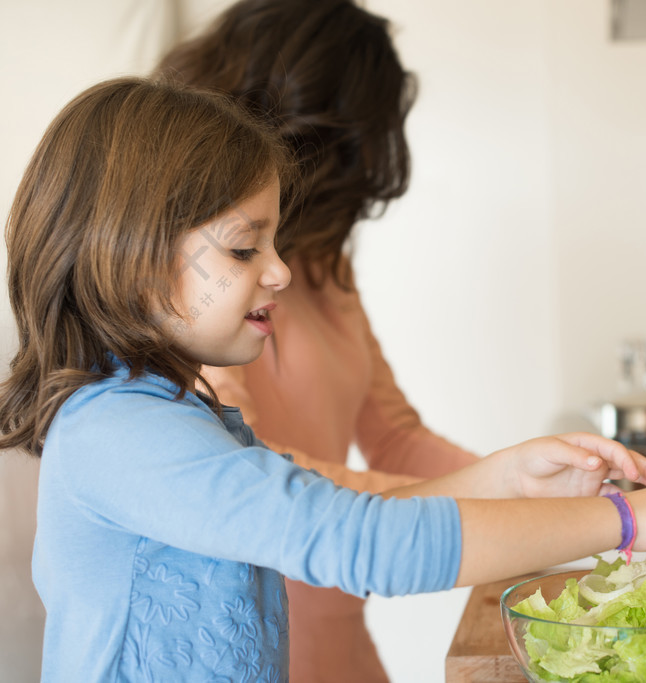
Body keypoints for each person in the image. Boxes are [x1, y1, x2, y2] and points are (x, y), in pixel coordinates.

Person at [0, 77, 646, 682]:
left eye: (275, 240)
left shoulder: (169, 413)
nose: (281, 270)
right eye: (242, 247)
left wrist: (505, 476)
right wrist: (628, 521)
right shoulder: (121, 434)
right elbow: (359, 542)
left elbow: (325, 509)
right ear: (128, 259)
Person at [152, 1, 507, 678]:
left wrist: (539, 483)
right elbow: (245, 463)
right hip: (266, 622)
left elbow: (394, 434)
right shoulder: (192, 280)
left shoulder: (318, 260)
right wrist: (497, 503)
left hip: (341, 608)